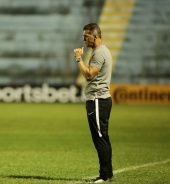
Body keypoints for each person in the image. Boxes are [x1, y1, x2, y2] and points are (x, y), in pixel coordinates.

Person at [73, 23, 114, 183]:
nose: (84, 40)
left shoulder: (99, 53)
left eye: (86, 36)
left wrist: (78, 59)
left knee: (100, 138)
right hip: (100, 99)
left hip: (98, 100)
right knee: (103, 137)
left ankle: (105, 175)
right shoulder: (101, 51)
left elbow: (89, 75)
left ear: (95, 36)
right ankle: (108, 174)